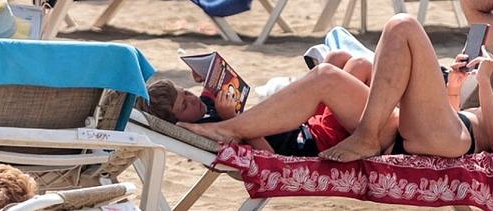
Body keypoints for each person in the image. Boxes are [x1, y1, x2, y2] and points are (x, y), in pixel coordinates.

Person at [182, 14, 493, 162]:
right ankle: (234, 125)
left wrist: (486, 85)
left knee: (403, 26)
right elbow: (459, 114)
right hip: (444, 126)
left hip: (454, 139)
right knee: (330, 76)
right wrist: (460, 84)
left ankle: (367, 136)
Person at [142, 50, 371, 157]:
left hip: (306, 124)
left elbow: (216, 87)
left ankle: (373, 113)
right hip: (317, 141)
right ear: (178, 122)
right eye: (184, 105)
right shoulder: (210, 128)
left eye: (186, 93)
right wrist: (232, 118)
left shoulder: (201, 110)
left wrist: (205, 75)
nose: (192, 100)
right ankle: (380, 128)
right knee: (359, 65)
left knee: (337, 58)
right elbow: (267, 156)